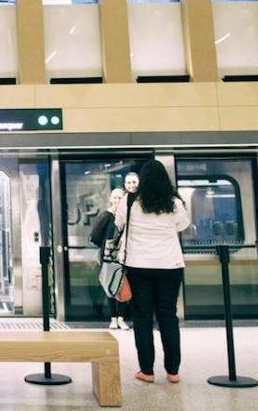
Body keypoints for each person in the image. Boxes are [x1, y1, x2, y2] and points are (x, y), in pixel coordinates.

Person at [115, 160, 190, 384]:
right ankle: (173, 371)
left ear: (142, 180)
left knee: (143, 318)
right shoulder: (174, 203)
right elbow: (182, 226)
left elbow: (119, 224)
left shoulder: (130, 202)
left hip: (139, 266)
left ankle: (147, 370)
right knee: (168, 316)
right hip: (170, 266)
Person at [90, 188, 129, 330]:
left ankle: (121, 318)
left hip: (124, 256)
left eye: (120, 197)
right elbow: (95, 236)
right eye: (115, 198)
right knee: (110, 285)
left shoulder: (126, 216)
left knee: (122, 285)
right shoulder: (106, 215)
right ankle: (113, 318)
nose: (117, 200)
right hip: (108, 257)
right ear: (110, 199)